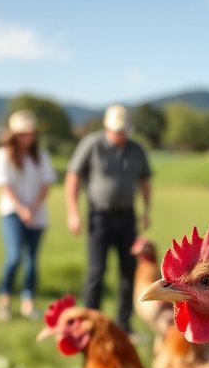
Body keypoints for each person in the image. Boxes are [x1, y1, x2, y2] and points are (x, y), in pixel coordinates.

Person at [64, 104, 152, 333]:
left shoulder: (136, 150)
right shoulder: (91, 145)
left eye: (124, 131)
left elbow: (145, 181)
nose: (120, 136)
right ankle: (89, 322)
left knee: (127, 271)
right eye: (116, 131)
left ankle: (124, 324)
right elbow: (73, 177)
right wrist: (73, 212)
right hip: (99, 217)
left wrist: (147, 210)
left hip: (127, 218)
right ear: (106, 127)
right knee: (96, 272)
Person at [0, 109, 57, 321]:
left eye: (29, 133)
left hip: (37, 215)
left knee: (31, 261)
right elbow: (4, 185)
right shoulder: (3, 155)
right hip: (11, 213)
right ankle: (4, 300)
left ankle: (28, 303)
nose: (27, 137)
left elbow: (47, 184)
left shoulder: (41, 156)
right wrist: (22, 208)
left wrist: (33, 208)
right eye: (22, 133)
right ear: (13, 134)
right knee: (13, 257)